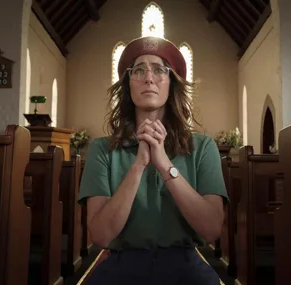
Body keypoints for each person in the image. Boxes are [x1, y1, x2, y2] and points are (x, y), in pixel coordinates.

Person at [78, 36, 229, 285]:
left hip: (185, 265)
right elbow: (101, 236)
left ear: (172, 83)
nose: (149, 78)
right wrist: (138, 166)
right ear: (129, 84)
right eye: (139, 70)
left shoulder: (203, 147)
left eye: (159, 70)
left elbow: (211, 230)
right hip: (121, 264)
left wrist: (163, 164)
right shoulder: (102, 149)